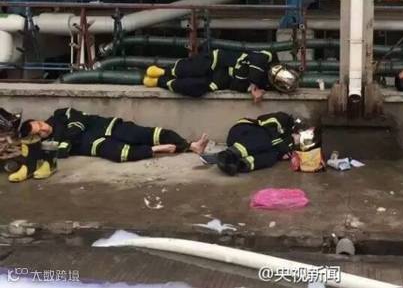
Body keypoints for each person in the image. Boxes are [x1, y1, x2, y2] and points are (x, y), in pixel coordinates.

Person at [12, 107, 209, 179]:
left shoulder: (60, 114)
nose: (44, 129)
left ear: (40, 120)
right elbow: (59, 154)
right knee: (119, 153)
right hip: (96, 144)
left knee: (151, 133)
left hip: (109, 127)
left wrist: (65, 142)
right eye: (39, 133)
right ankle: (156, 150)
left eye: (40, 125)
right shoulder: (49, 144)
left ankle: (191, 146)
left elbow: (78, 123)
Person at [142, 48, 300, 101]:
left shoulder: (265, 86)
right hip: (219, 60)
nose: (275, 73)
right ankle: (163, 71)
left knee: (195, 88)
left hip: (220, 80)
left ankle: (160, 82)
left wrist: (251, 88)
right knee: (194, 68)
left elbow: (238, 85)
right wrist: (253, 85)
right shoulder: (270, 56)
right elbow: (257, 59)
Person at [216, 112, 316, 176]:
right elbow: (268, 128)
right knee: (267, 136)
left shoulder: (289, 141)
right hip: (242, 131)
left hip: (251, 146)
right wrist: (285, 148)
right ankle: (227, 155)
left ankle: (240, 165)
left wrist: (285, 152)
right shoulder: (282, 118)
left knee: (272, 155)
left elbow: (279, 151)